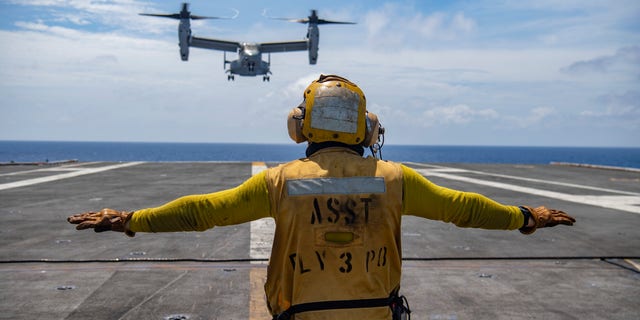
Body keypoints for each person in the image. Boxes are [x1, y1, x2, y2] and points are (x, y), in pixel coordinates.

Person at [68, 74, 576, 320]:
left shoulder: (280, 180)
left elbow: (204, 211)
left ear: (300, 125)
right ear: (366, 127)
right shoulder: (395, 178)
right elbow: (464, 208)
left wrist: (131, 219)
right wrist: (527, 217)